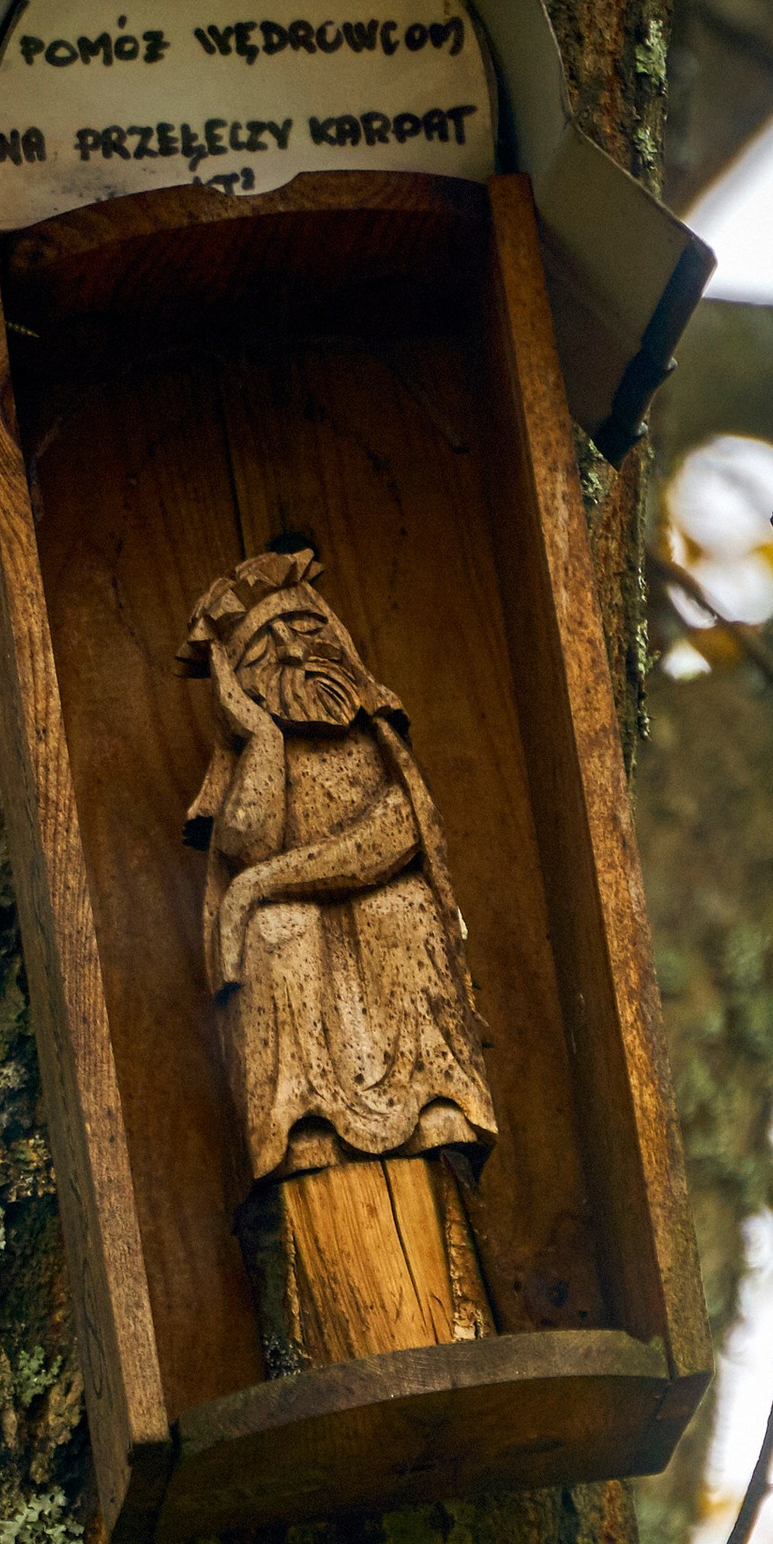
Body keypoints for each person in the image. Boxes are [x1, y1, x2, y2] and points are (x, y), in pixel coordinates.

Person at [181, 548, 496, 1368]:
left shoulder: (375, 738)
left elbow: (397, 840)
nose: (289, 653)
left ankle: (430, 1108)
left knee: (399, 909)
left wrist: (268, 885)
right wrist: (256, 737)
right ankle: (305, 1125)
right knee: (278, 936)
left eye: (302, 629)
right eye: (262, 648)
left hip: (383, 947)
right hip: (307, 967)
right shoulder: (259, 755)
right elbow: (245, 843)